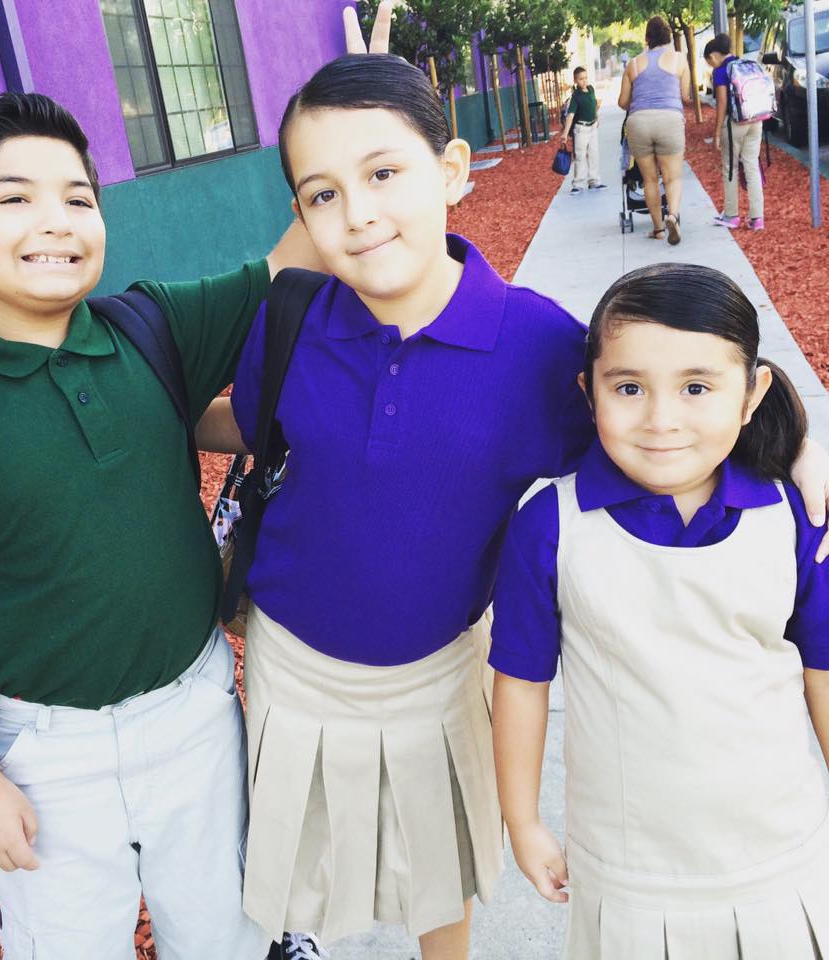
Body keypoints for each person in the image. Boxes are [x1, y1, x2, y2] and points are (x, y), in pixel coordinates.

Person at [222, 54, 829, 960]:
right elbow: (251, 421)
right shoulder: (291, 319)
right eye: (322, 194)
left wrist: (793, 448)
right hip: (292, 656)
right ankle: (295, 937)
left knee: (438, 865)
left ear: (452, 170)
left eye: (383, 173)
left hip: (437, 666)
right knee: (295, 848)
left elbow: (654, 405)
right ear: (300, 215)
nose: (358, 214)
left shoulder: (535, 344)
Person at [0, 7, 395, 958]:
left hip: (195, 710)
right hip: (47, 748)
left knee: (227, 930)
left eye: (79, 198)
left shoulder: (150, 328)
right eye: (14, 199)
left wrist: (357, 129)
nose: (55, 223)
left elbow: (290, 259)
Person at [491, 262, 829, 959]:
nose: (661, 420)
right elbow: (521, 683)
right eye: (629, 388)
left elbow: (822, 669)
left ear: (751, 394)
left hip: (778, 856)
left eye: (696, 387)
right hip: (629, 870)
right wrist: (521, 820)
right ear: (588, 392)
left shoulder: (793, 516)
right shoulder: (550, 525)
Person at [618, 16, 690, 244]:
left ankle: (658, 229)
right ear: (668, 37)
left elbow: (622, 102)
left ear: (647, 38)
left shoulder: (633, 64)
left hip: (639, 122)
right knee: (672, 177)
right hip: (669, 119)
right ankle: (673, 216)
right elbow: (685, 96)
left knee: (650, 179)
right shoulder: (679, 59)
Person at [705, 34, 765, 231]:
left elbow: (722, 102)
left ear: (714, 55)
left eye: (709, 61)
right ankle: (757, 218)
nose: (710, 65)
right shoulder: (745, 64)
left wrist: (716, 131)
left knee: (730, 168)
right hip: (755, 120)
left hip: (735, 124)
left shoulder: (721, 71)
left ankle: (731, 215)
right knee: (752, 166)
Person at [560, 67, 607, 194]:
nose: (584, 81)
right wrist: (565, 133)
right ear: (575, 80)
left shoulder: (591, 89)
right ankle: (578, 184)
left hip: (592, 127)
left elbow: (594, 104)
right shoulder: (576, 96)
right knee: (580, 156)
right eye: (581, 79)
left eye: (585, 78)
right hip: (581, 129)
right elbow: (570, 115)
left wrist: (596, 117)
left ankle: (594, 181)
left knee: (593, 154)